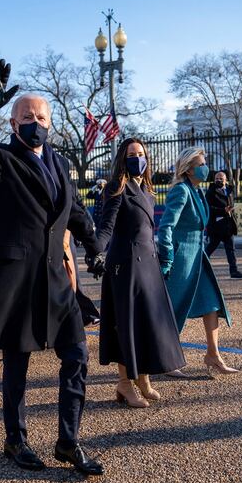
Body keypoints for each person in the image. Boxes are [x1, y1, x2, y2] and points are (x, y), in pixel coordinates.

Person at [0, 59, 104, 475]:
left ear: (50, 123)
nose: (34, 122)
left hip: (56, 280)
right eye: (26, 117)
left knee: (76, 355)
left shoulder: (59, 162)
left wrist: (94, 245)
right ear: (13, 122)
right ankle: (15, 439)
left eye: (41, 117)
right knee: (17, 366)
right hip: (16, 280)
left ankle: (68, 441)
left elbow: (72, 208)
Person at [96, 137, 185, 408]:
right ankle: (124, 383)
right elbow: (106, 227)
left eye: (141, 153)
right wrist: (95, 250)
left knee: (145, 324)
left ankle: (143, 379)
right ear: (123, 158)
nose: (138, 158)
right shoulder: (116, 188)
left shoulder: (147, 189)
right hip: (126, 267)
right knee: (127, 326)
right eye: (132, 154)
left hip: (148, 264)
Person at [157, 147, 238, 377]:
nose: (206, 168)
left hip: (198, 257)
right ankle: (166, 359)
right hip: (181, 259)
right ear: (189, 169)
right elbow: (166, 227)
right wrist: (167, 255)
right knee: (173, 309)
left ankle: (213, 355)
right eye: (201, 164)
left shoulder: (198, 191)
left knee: (211, 302)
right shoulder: (181, 191)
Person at [205, 171, 242, 279]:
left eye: (220, 178)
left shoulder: (229, 190)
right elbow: (208, 208)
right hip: (217, 226)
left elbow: (231, 205)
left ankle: (234, 271)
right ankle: (199, 267)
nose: (218, 180)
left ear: (225, 180)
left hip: (228, 225)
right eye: (216, 179)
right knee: (210, 249)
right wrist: (223, 210)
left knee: (231, 249)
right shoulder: (211, 191)